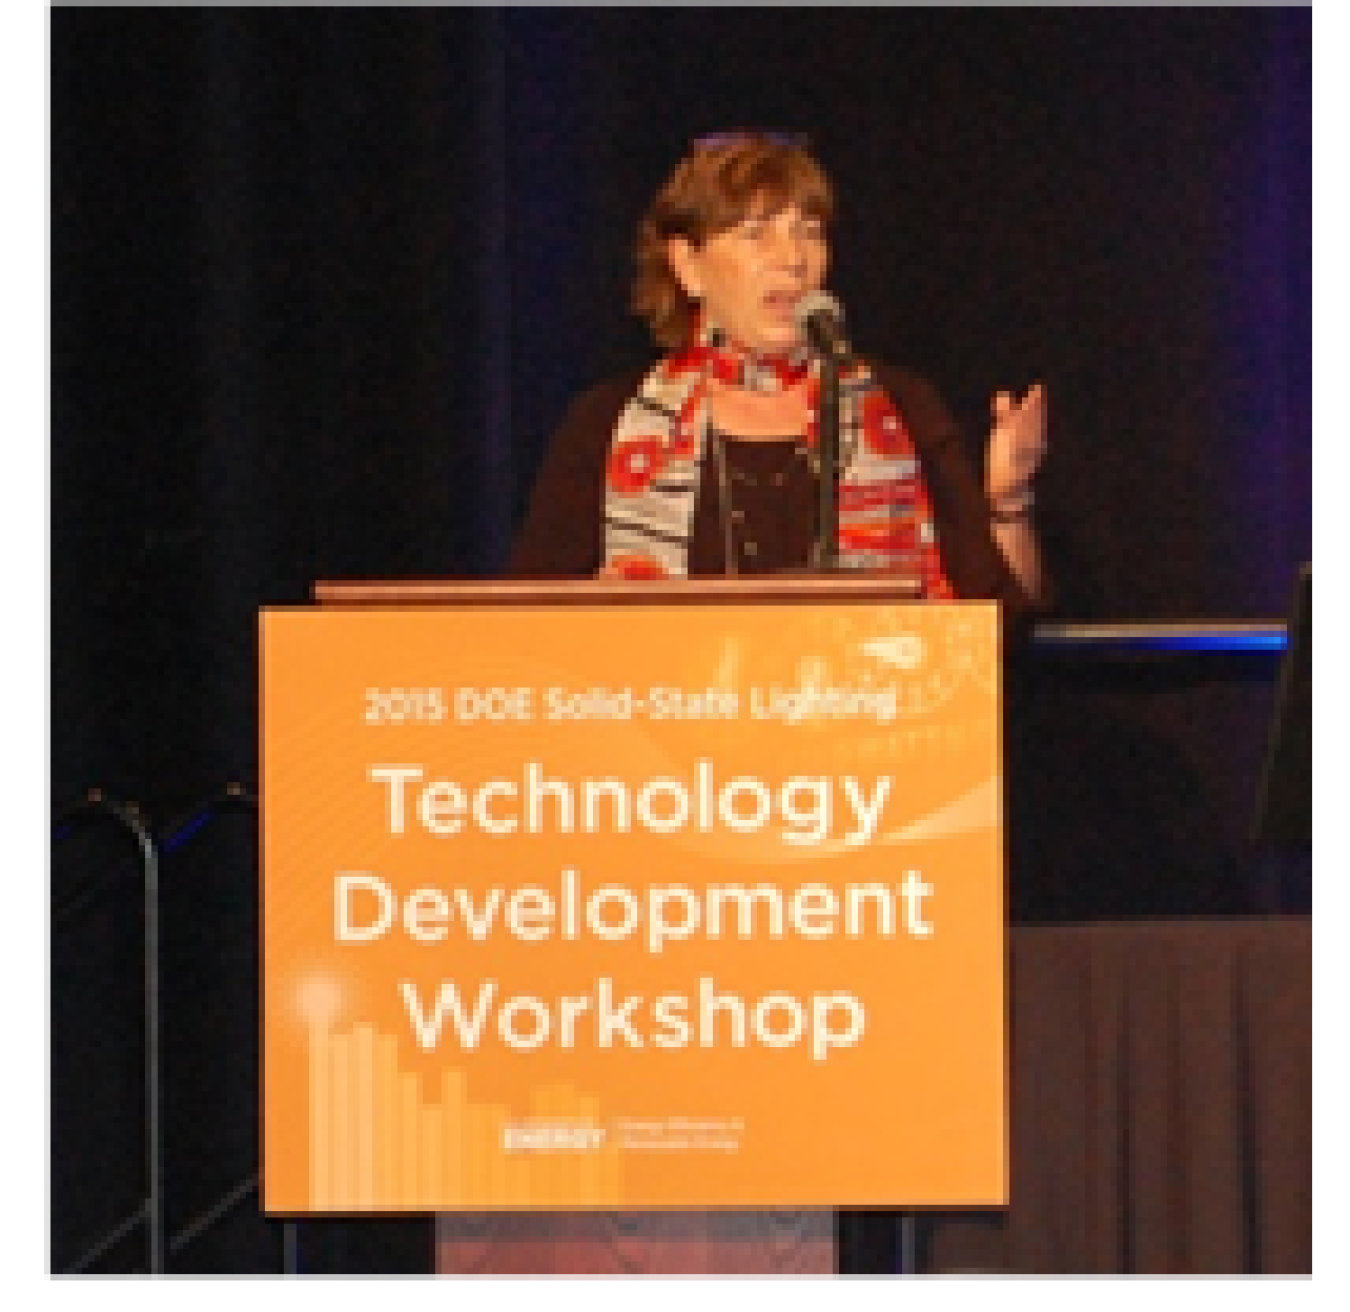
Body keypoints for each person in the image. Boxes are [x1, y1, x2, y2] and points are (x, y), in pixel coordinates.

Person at [509, 131, 1049, 620]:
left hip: (867, 724)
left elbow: (1002, 628)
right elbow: (531, 636)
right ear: (687, 265)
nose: (792, 258)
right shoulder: (606, 424)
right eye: (756, 233)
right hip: (677, 722)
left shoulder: (902, 407)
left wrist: (1009, 501)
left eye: (809, 232)